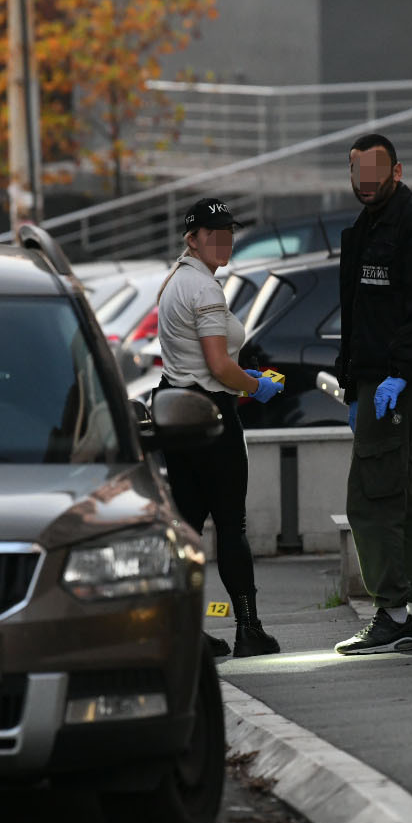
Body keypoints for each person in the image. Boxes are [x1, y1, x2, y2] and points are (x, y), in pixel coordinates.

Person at [333, 134, 412, 656]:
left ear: (396, 172)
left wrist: (400, 375)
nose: (366, 184)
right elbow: (357, 315)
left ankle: (393, 614)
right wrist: (350, 382)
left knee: (370, 496)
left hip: (398, 380)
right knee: (400, 493)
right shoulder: (364, 230)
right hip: (376, 380)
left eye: (375, 174)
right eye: (358, 174)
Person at [155, 197, 285, 658]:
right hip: (211, 416)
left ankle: (183, 633)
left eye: (228, 231)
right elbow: (218, 364)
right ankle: (248, 629)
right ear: (192, 238)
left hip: (175, 413)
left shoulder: (174, 280)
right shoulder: (207, 291)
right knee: (231, 526)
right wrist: (255, 385)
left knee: (188, 528)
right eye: (213, 233)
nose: (223, 240)